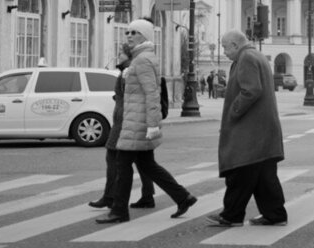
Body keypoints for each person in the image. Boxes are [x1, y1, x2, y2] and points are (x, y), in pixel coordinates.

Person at [97, 19, 197, 224]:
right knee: (147, 165)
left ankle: (119, 211)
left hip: (138, 123)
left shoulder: (142, 60)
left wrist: (153, 124)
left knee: (123, 166)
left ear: (145, 36)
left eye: (134, 32)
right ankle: (183, 197)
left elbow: (152, 92)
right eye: (128, 32)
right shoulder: (142, 57)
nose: (129, 35)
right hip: (137, 120)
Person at [207, 30, 287, 227]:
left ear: (235, 45)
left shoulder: (246, 58)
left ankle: (232, 215)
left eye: (225, 47)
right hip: (262, 129)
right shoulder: (255, 55)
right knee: (264, 176)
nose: (224, 52)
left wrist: (234, 111)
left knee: (241, 171)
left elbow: (251, 90)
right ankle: (275, 214)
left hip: (251, 130)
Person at [89, 43, 155, 210]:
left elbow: (132, 98)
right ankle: (149, 196)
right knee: (144, 162)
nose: (118, 55)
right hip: (133, 120)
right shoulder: (132, 69)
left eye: (121, 53)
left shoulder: (128, 72)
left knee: (114, 158)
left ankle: (111, 197)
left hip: (126, 122)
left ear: (129, 55)